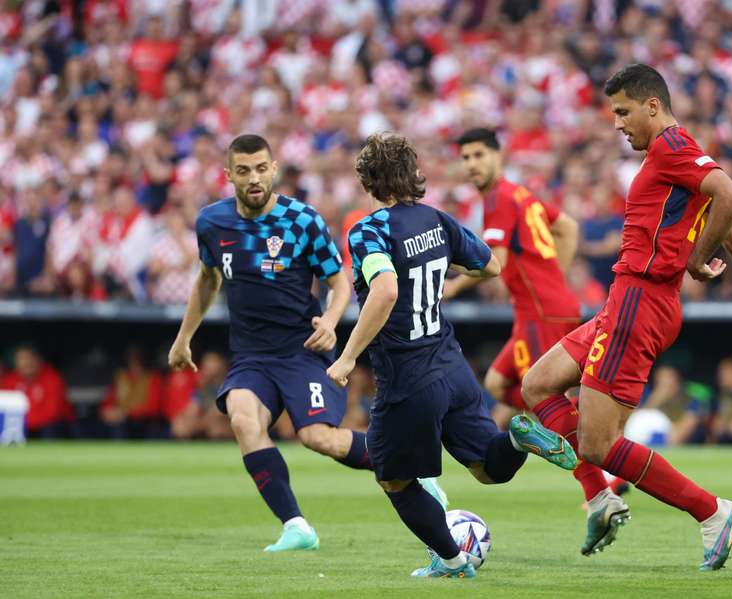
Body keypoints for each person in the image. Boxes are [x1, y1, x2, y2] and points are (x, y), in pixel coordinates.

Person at [520, 64, 732, 571]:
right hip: (628, 300)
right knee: (537, 385)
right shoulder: (676, 157)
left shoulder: (671, 145)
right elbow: (728, 224)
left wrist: (695, 259)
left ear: (652, 105)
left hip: (639, 301)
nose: (617, 123)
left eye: (623, 112)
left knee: (599, 443)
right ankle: (600, 497)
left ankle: (713, 511)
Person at [326, 133, 577, 579]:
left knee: (393, 479)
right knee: (487, 469)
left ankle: (452, 560)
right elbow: (491, 265)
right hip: (453, 366)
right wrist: (441, 271)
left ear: (370, 182)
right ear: (411, 174)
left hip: (407, 378)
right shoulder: (437, 221)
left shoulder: (369, 229)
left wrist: (347, 358)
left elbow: (384, 290)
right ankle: (518, 438)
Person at [168, 134, 385, 553]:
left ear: (274, 170)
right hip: (251, 356)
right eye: (244, 170)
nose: (253, 178)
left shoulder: (302, 220)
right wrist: (183, 338)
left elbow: (338, 281)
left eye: (261, 168)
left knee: (318, 438)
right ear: (229, 174)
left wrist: (332, 320)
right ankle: (296, 525)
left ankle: (407, 465)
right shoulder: (212, 222)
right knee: (243, 420)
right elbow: (208, 278)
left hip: (301, 350)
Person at [450, 127, 630, 555]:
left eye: (479, 155)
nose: (472, 164)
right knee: (498, 385)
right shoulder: (519, 194)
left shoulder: (498, 198)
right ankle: (581, 449)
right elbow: (566, 227)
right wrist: (554, 280)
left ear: (498, 155)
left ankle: (598, 491)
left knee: (542, 400)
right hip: (542, 309)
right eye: (466, 158)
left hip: (539, 315)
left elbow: (493, 261)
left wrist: (448, 286)